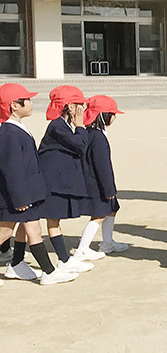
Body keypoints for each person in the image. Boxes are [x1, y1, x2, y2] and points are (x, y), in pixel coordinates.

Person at [0, 83, 77, 285]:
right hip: (17, 197)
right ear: (14, 106)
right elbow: (11, 169)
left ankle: (46, 272)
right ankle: (45, 272)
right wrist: (20, 197)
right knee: (4, 232)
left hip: (27, 194)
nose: (31, 103)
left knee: (33, 230)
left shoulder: (16, 127)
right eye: (27, 100)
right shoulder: (8, 132)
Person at [37, 85, 93, 273]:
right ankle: (62, 259)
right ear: (69, 106)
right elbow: (80, 145)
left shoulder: (63, 125)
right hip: (51, 183)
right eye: (79, 104)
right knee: (45, 221)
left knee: (50, 221)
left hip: (57, 181)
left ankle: (64, 258)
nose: (82, 108)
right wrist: (80, 125)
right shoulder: (57, 125)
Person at [74, 95, 127, 263]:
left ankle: (107, 242)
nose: (115, 117)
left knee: (112, 209)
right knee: (98, 215)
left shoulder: (90, 132)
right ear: (104, 115)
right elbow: (102, 166)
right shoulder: (97, 137)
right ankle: (82, 250)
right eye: (112, 113)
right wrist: (109, 188)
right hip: (96, 183)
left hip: (94, 181)